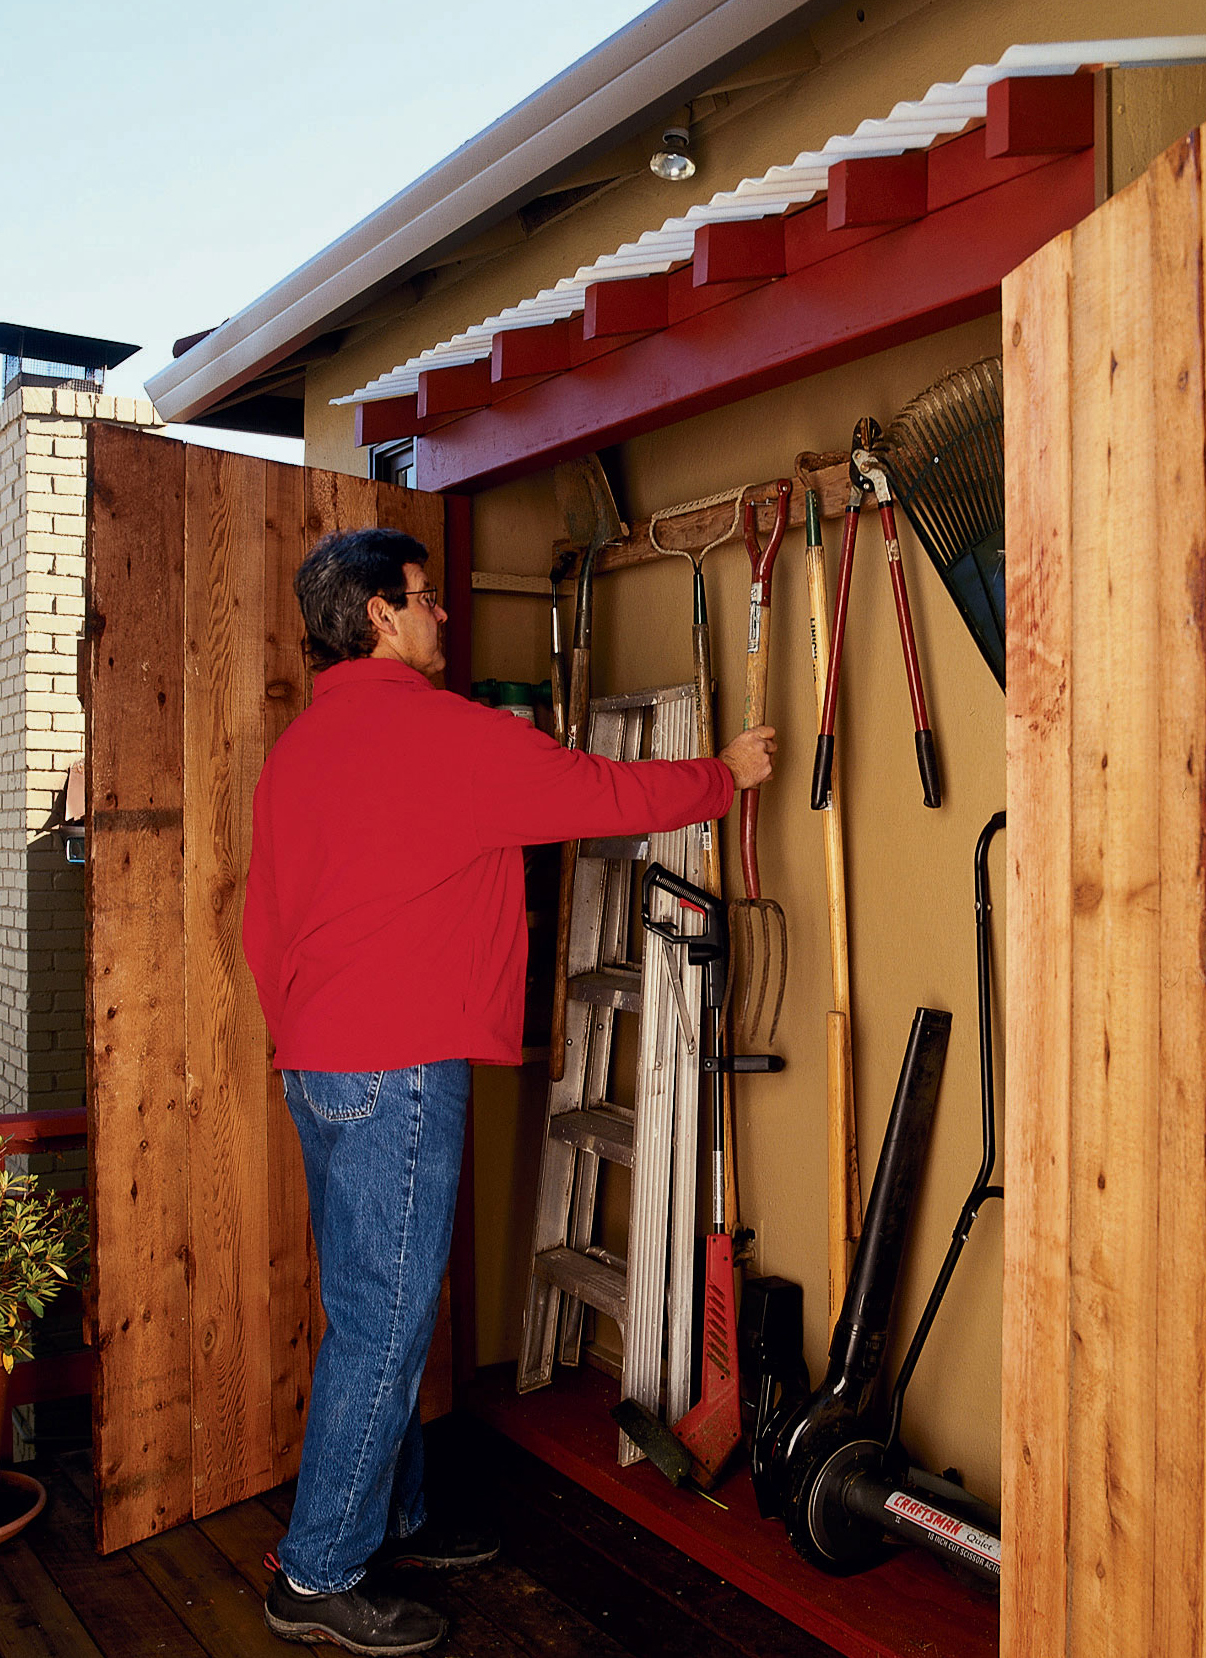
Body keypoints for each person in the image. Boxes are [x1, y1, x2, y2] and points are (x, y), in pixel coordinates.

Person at [243, 525, 775, 1655]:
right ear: (381, 616)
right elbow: (594, 792)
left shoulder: (298, 750)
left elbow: (264, 922)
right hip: (391, 1068)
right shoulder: (438, 734)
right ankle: (317, 1572)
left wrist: (301, 1036)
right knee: (385, 1328)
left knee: (370, 1314)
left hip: (322, 1066)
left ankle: (395, 1514)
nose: (441, 614)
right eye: (426, 599)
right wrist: (724, 776)